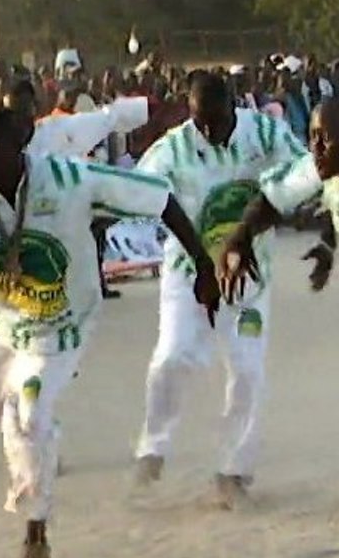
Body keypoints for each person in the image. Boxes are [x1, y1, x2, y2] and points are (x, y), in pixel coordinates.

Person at [0, 101, 219, 558]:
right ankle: (44, 441)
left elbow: (159, 199)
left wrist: (202, 263)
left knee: (28, 414)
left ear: (21, 147)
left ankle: (35, 533)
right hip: (2, 322)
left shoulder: (72, 179)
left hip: (62, 324)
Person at [132, 72, 310, 508]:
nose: (209, 132)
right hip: (187, 272)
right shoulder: (172, 148)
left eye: (217, 120)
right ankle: (153, 444)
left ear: (235, 105)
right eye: (200, 123)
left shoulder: (266, 132)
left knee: (248, 370)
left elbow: (306, 173)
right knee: (173, 356)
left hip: (250, 278)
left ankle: (232, 472)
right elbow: (136, 191)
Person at [219, 99, 339, 325]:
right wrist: (239, 239)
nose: (316, 148)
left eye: (325, 138)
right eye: (312, 136)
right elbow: (273, 198)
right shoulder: (321, 166)